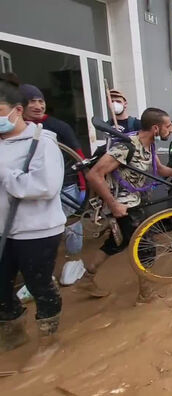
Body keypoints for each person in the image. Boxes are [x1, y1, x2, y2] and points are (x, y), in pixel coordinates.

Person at [76, 108, 172, 302]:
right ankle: (145, 293)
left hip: (136, 201)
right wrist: (114, 204)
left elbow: (161, 170)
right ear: (156, 128)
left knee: (120, 242)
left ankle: (87, 277)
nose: (171, 131)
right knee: (146, 245)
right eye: (168, 127)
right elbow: (94, 175)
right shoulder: (127, 146)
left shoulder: (149, 145)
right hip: (123, 204)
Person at [0, 78, 65, 371]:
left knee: (40, 286)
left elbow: (46, 187)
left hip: (37, 231)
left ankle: (48, 342)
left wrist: (6, 175)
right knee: (1, 287)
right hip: (3, 231)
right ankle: (13, 333)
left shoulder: (42, 143)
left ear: (15, 110)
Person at [19, 84, 87, 281]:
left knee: (72, 225)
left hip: (66, 186)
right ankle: (41, 272)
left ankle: (74, 260)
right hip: (32, 189)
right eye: (32, 101)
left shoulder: (58, 127)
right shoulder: (14, 131)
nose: (38, 106)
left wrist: (83, 188)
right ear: (20, 105)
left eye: (41, 101)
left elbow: (79, 159)